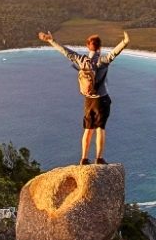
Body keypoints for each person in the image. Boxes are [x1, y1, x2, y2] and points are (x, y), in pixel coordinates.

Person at [37, 30, 129, 165]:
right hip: (101, 99)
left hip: (88, 100)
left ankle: (84, 158)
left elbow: (65, 52)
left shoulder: (81, 60)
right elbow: (114, 53)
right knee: (100, 129)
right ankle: (99, 158)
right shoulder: (102, 61)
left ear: (88, 46)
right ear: (100, 47)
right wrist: (125, 42)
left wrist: (51, 40)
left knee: (87, 129)